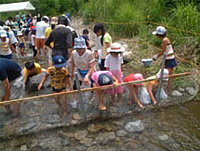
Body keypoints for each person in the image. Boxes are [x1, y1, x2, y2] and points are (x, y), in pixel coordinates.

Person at [70, 37, 95, 108]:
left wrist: (87, 76)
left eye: (81, 49)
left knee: (91, 86)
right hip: (79, 71)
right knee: (76, 86)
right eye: (77, 49)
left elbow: (92, 67)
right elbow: (72, 63)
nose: (79, 51)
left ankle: (89, 100)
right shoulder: (74, 53)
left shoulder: (89, 54)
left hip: (89, 71)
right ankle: (75, 100)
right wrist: (71, 72)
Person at [152, 26, 177, 95]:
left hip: (170, 59)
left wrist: (156, 56)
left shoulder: (164, 40)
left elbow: (163, 51)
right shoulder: (165, 39)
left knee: (169, 75)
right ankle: (161, 88)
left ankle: (168, 90)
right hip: (167, 58)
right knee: (162, 73)